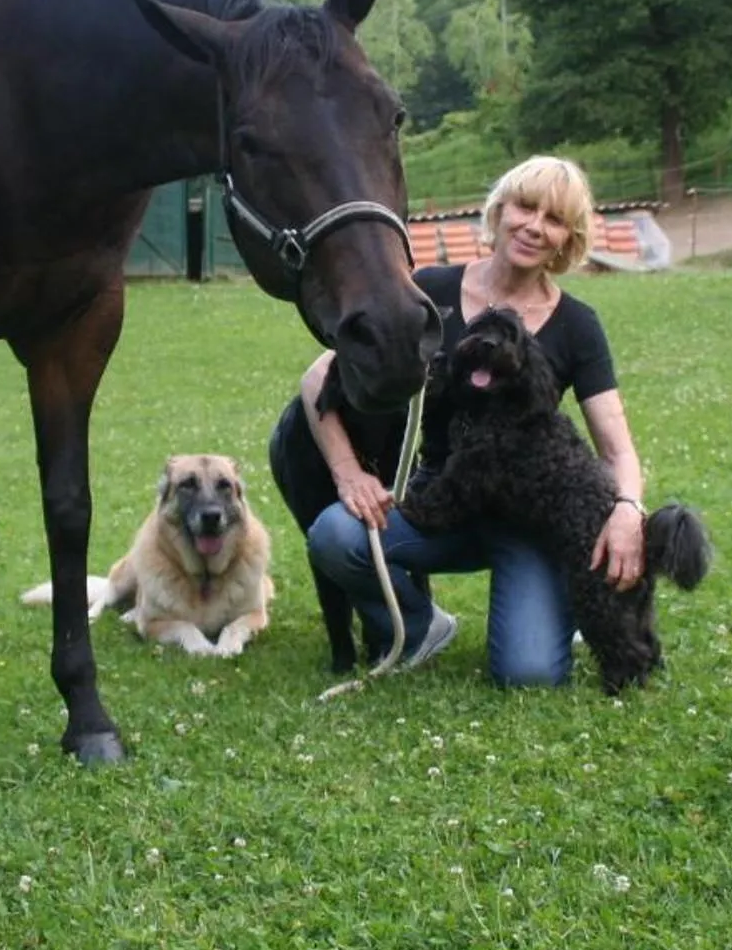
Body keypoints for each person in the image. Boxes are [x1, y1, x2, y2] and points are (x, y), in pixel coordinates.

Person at [275, 155, 653, 686]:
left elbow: (616, 450)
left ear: (568, 238)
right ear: (500, 211)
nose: (533, 226)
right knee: (336, 535)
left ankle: (550, 605)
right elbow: (320, 375)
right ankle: (418, 625)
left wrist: (628, 511)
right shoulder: (429, 288)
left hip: (531, 523)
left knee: (529, 674)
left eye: (553, 219)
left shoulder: (578, 326)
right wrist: (349, 473)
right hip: (440, 499)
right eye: (525, 206)